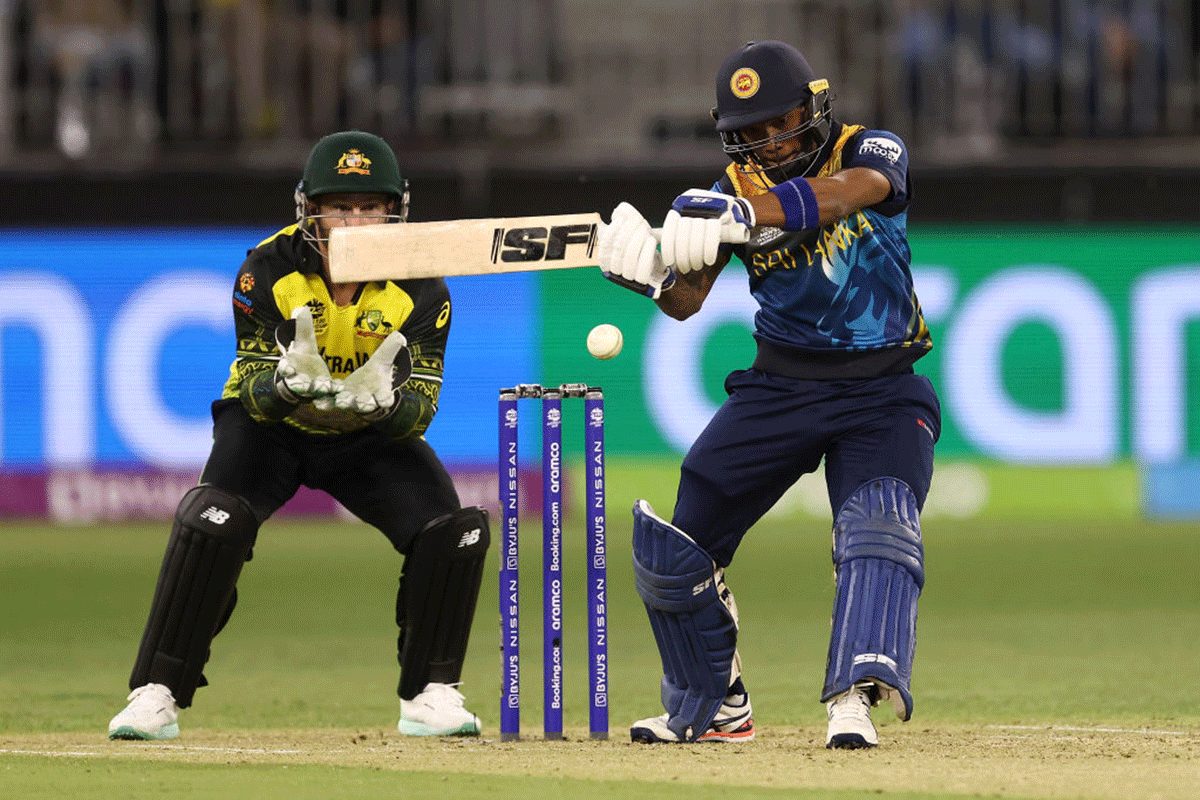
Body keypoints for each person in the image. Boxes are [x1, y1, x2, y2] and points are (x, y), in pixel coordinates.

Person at [597, 40, 939, 749]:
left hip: (882, 387)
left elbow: (855, 192)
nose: (766, 144)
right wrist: (648, 274)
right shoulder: (725, 193)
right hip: (780, 386)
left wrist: (755, 214)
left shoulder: (868, 147)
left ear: (812, 109)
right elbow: (686, 300)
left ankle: (853, 699)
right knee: (679, 545)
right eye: (747, 134)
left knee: (877, 527)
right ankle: (715, 703)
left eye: (778, 123)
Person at [107, 130, 490, 740]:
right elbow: (256, 389)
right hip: (271, 430)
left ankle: (428, 695)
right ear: (310, 210)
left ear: (395, 210)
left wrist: (386, 406)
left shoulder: (424, 287)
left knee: (457, 531)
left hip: (364, 435)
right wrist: (287, 387)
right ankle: (155, 692)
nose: (355, 221)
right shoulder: (268, 267)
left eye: (370, 207)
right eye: (340, 206)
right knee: (212, 519)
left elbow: (420, 410)